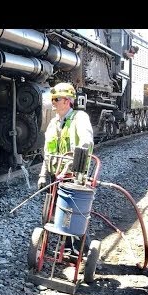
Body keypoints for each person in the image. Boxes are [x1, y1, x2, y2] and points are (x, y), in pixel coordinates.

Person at [37, 82, 94, 254]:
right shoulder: (53, 124)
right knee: (54, 212)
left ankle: (82, 249)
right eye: (52, 98)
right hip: (57, 176)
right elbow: (47, 153)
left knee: (73, 213)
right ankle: (65, 246)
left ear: (68, 101)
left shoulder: (80, 118)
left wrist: (71, 162)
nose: (53, 102)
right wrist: (42, 175)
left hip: (75, 177)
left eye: (57, 98)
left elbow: (86, 141)